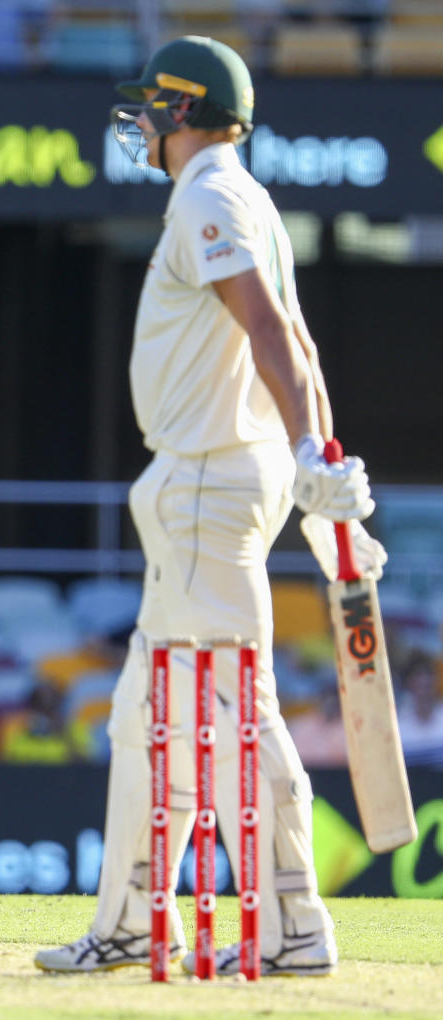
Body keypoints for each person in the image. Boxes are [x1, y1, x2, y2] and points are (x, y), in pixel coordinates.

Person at [34, 36, 383, 978]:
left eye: (152, 105)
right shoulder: (249, 200)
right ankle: (129, 922)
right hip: (217, 483)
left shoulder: (211, 196)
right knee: (140, 720)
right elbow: (300, 350)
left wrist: (315, 460)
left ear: (183, 110)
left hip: (204, 486)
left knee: (239, 711)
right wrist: (320, 484)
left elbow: (273, 334)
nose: (141, 121)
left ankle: (297, 926)